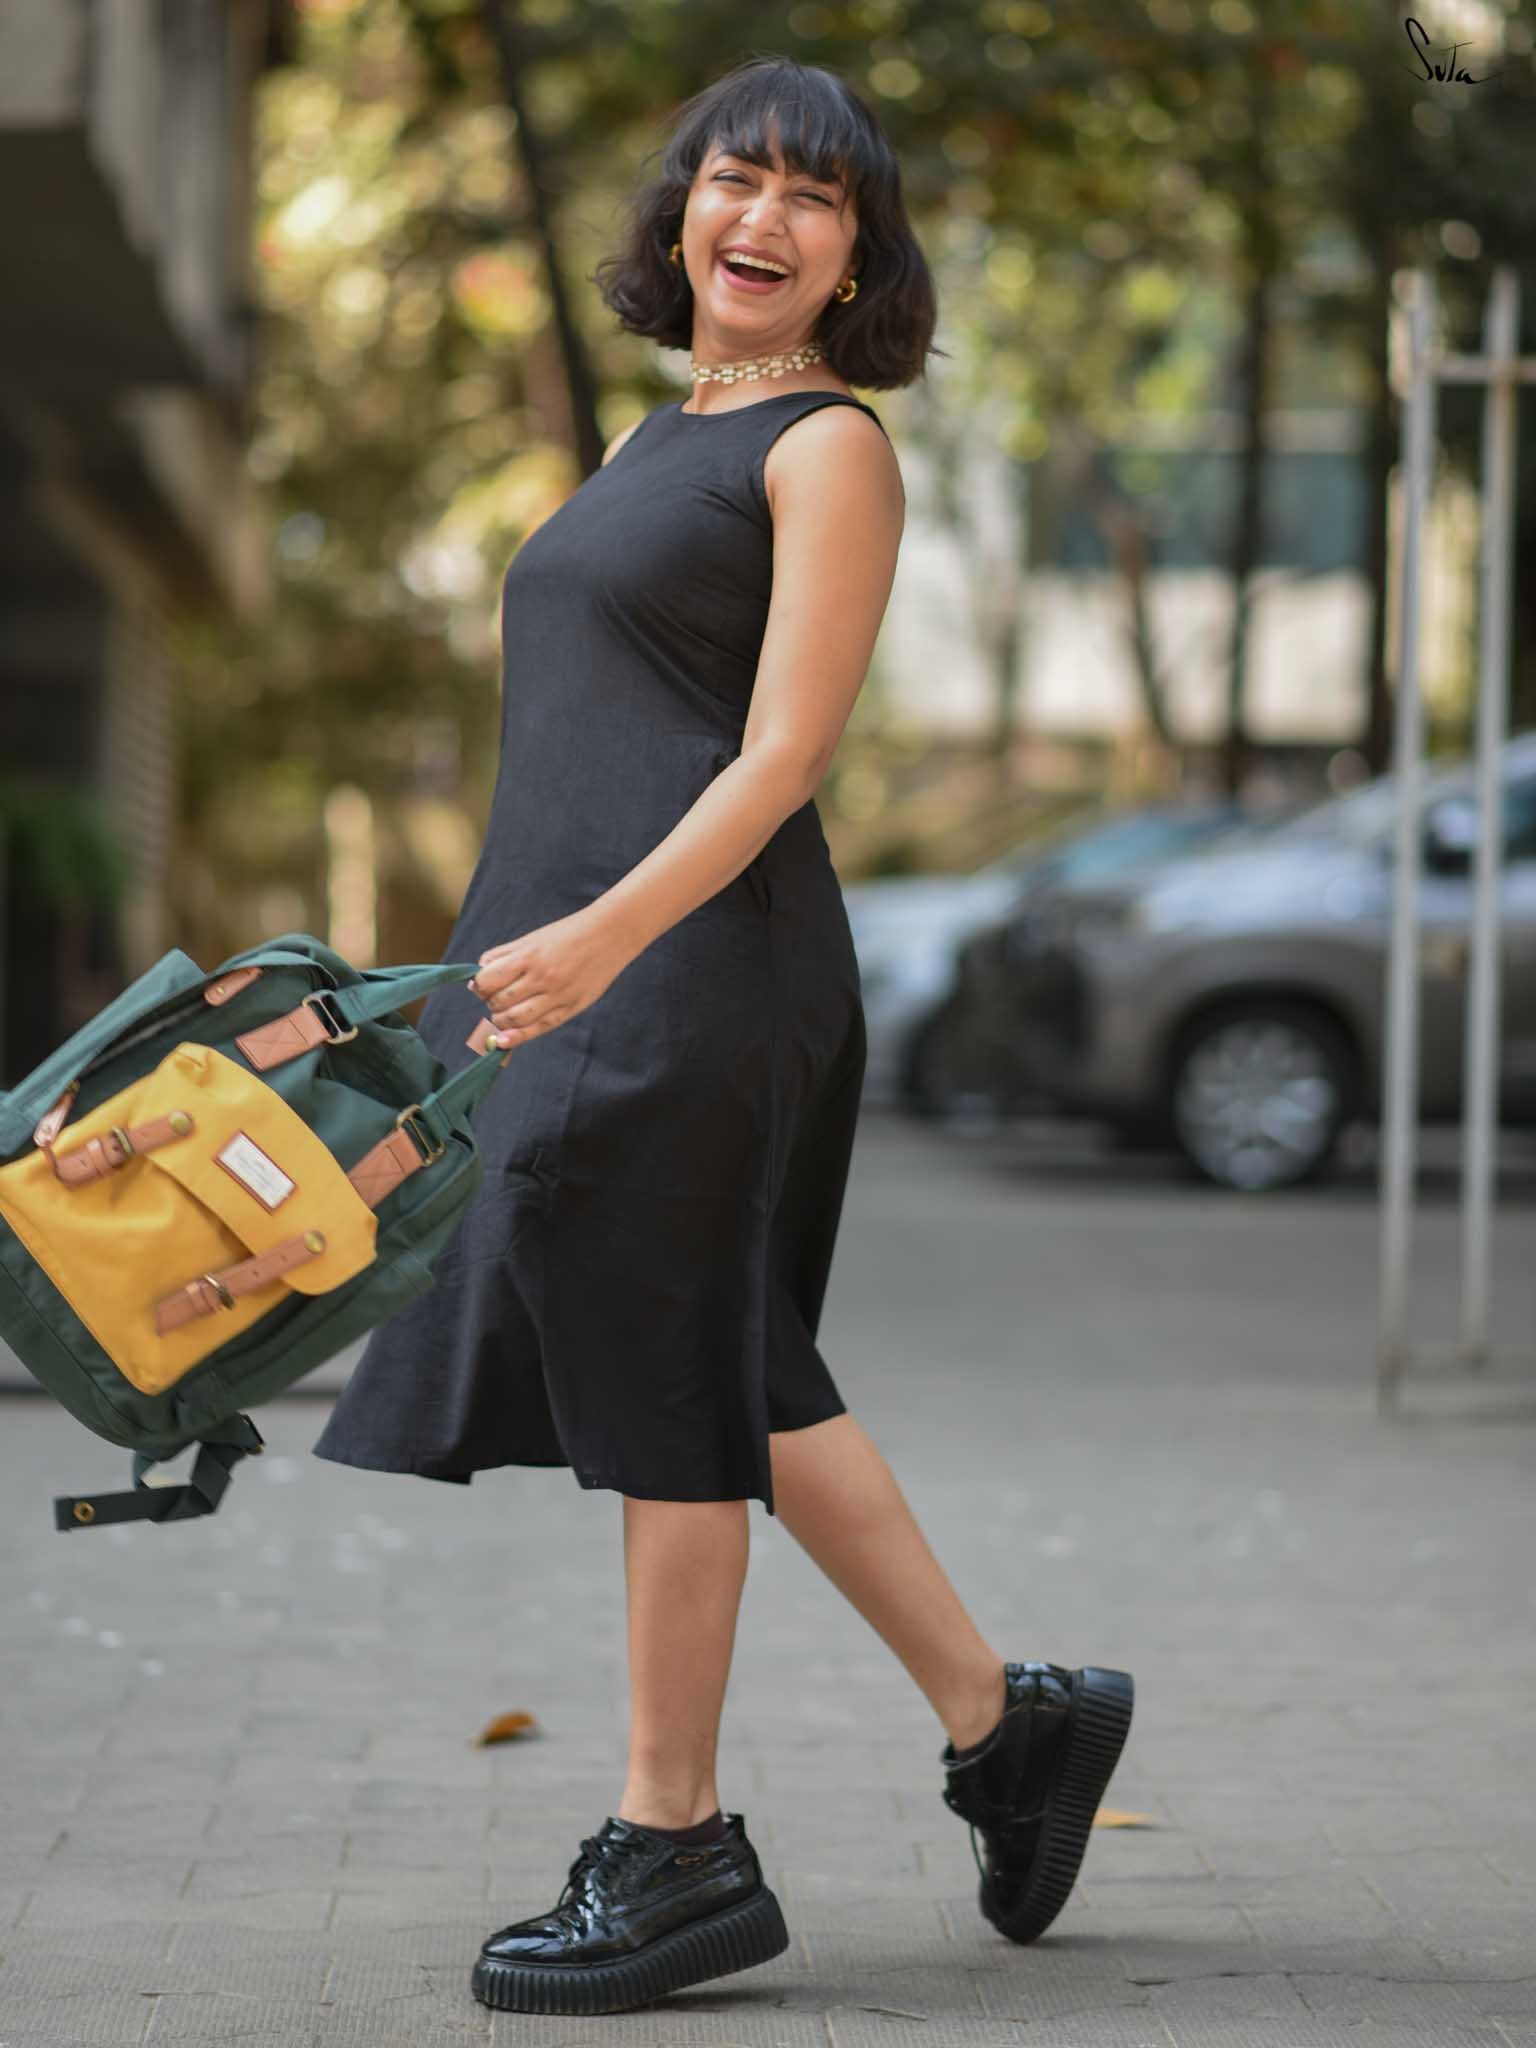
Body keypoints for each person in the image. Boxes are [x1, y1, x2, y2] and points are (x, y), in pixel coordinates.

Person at [312, 54, 1133, 2018]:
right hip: (583, 969)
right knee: (731, 1367)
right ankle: (1009, 1722)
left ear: (858, 255)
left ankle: (674, 1843)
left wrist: (601, 940)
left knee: (672, 1370)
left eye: (813, 196)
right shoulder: (652, 437)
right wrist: (480, 979)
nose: (764, 217)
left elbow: (781, 755)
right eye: (734, 179)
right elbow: (577, 754)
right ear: (680, 210)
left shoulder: (829, 446)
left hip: (699, 967)